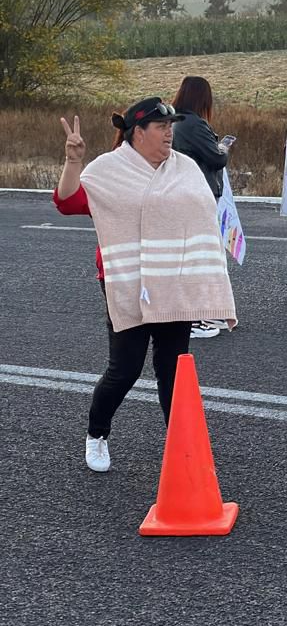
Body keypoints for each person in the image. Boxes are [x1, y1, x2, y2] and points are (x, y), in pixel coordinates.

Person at [54, 98, 237, 472]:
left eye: (172, 125)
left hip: (174, 277)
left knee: (175, 367)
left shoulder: (183, 167)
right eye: (161, 126)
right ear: (138, 132)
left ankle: (180, 445)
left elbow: (201, 217)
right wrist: (74, 162)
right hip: (126, 279)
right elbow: (68, 202)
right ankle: (97, 434)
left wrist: (205, 275)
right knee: (126, 368)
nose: (170, 132)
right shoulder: (109, 169)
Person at [171, 75, 230, 339]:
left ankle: (199, 313)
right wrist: (224, 148)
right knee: (199, 253)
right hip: (199, 192)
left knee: (190, 252)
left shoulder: (173, 121)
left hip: (181, 191)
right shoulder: (194, 124)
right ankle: (194, 318)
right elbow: (216, 158)